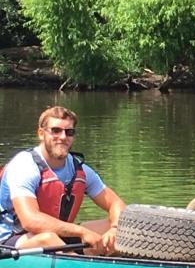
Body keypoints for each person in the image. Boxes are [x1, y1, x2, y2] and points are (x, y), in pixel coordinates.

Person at [0, 106, 125, 255]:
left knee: (125, 230)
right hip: (12, 241)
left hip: (60, 236)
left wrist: (114, 229)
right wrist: (81, 231)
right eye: (55, 130)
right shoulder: (24, 166)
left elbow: (116, 203)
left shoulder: (79, 169)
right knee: (48, 239)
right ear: (41, 134)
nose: (63, 137)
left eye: (69, 132)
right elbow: (30, 220)